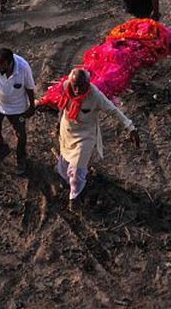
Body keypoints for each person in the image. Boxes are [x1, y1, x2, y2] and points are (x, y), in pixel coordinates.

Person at [55, 68, 140, 210]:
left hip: (85, 136)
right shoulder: (66, 87)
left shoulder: (95, 96)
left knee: (77, 167)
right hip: (67, 131)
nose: (76, 90)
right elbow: (62, 107)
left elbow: (113, 110)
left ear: (87, 84)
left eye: (80, 86)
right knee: (64, 163)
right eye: (74, 86)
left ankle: (74, 196)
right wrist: (59, 122)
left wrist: (130, 127)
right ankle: (68, 179)